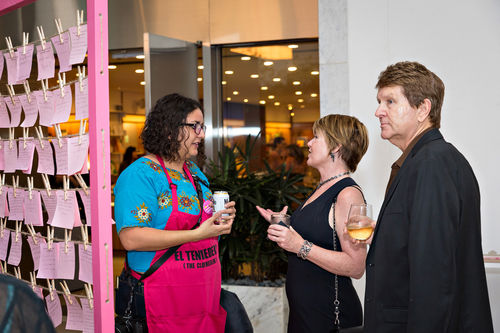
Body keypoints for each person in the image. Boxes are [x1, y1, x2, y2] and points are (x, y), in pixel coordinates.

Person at [360, 61, 493, 331]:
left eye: (390, 101)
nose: (378, 112)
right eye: (379, 101)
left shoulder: (431, 165)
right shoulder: (426, 161)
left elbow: (434, 276)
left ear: (423, 109)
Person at [114, 93, 236, 332]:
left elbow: (205, 227)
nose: (201, 134)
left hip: (203, 299)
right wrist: (197, 234)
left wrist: (219, 223)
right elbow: (131, 238)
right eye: (194, 126)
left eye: (202, 126)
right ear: (169, 129)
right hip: (161, 300)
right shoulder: (141, 175)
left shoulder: (195, 173)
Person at [257, 114, 369, 332]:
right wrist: (283, 225)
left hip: (328, 318)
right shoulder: (321, 188)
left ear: (336, 146)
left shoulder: (347, 195)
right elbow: (320, 234)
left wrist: (299, 245)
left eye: (316, 137)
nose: (308, 143)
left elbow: (356, 266)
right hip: (305, 315)